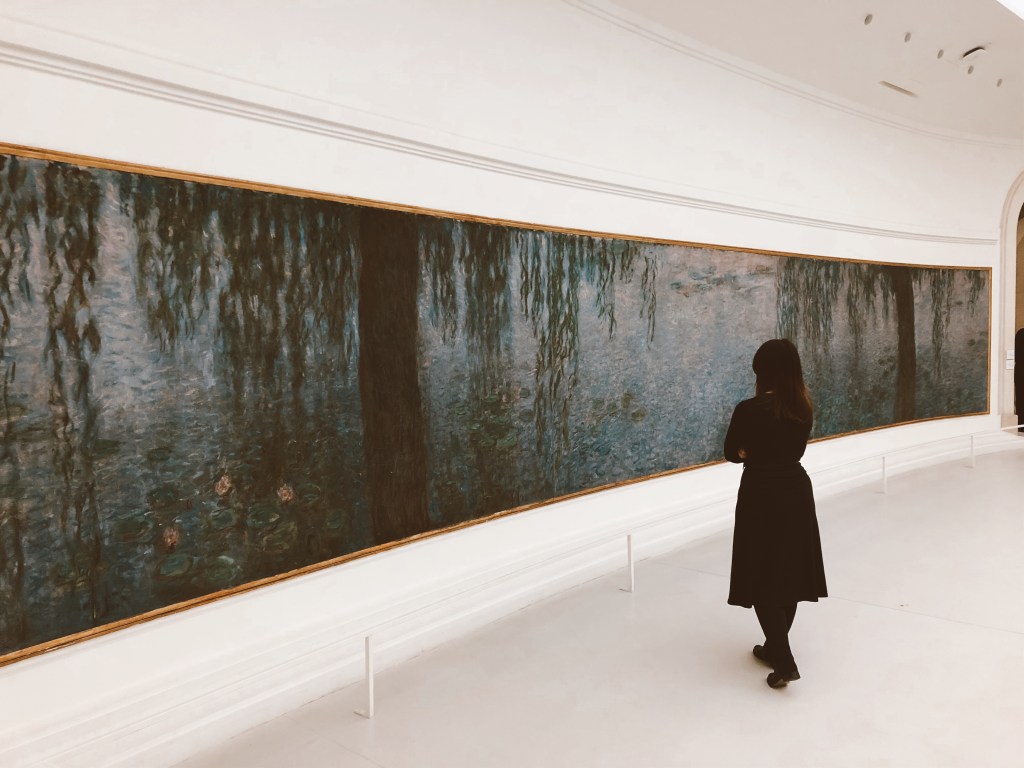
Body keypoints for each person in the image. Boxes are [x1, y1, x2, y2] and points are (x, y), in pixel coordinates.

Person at [724, 339, 827, 689]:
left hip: (760, 493)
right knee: (788, 573)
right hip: (796, 491)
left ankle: (784, 661)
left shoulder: (748, 410)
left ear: (762, 372)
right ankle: (773, 648)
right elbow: (792, 448)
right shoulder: (803, 407)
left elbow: (732, 452)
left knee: (761, 574)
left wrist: (748, 450)